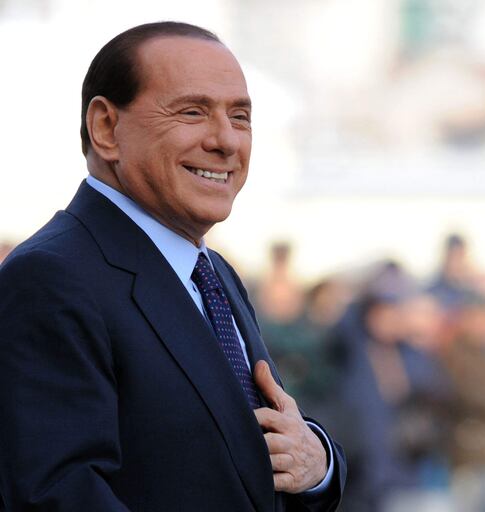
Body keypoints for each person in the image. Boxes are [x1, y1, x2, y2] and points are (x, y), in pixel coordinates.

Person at [0, 22, 345, 511]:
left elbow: (249, 456)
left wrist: (318, 463)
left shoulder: (213, 273)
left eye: (240, 117)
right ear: (106, 128)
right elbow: (59, 495)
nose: (226, 140)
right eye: (192, 112)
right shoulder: (51, 279)